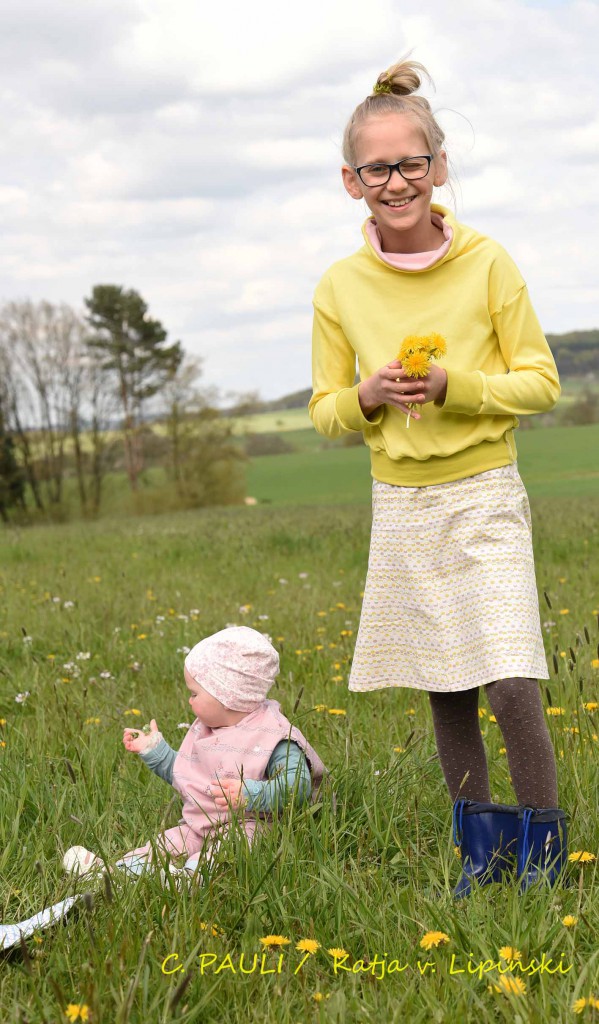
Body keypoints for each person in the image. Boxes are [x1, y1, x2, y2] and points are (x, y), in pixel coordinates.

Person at [309, 58, 566, 896]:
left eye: (410, 163)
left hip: (485, 488)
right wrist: (367, 396)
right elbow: (322, 409)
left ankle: (543, 857)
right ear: (351, 182)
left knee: (507, 675)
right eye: (376, 168)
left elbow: (540, 382)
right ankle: (480, 856)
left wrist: (457, 388)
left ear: (439, 166)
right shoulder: (340, 286)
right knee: (443, 683)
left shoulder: (488, 263)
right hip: (403, 501)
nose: (395, 181)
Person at [63, 626, 326, 880]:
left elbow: (297, 787)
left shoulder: (273, 736)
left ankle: (191, 878)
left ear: (227, 695)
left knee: (234, 846)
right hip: (200, 825)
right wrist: (155, 751)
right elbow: (191, 778)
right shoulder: (208, 730)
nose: (189, 700)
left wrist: (250, 793)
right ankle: (114, 873)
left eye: (194, 693)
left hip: (254, 824)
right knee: (167, 843)